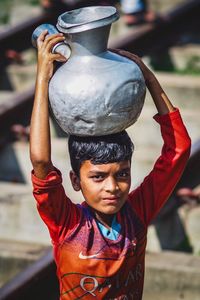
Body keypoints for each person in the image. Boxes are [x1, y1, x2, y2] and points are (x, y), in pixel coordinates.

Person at [30, 31, 191, 299]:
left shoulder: (137, 211)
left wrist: (147, 77)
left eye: (123, 174)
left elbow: (179, 149)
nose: (113, 187)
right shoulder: (68, 224)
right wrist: (42, 78)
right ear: (74, 181)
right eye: (97, 177)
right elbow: (41, 161)